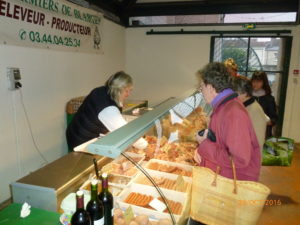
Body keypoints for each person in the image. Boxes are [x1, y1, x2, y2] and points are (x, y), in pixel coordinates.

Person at [194, 62, 261, 182]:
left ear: (210, 87)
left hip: (233, 185)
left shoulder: (234, 113)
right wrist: (202, 151)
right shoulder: (224, 106)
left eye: (201, 87)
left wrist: (204, 145)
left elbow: (239, 159)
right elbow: (221, 142)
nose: (201, 92)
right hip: (223, 178)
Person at [66, 71, 148, 150]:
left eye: (130, 90)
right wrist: (145, 146)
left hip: (79, 132)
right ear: (117, 89)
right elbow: (124, 132)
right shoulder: (107, 108)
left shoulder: (104, 90)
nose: (128, 94)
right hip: (81, 140)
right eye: (126, 91)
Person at [232, 76, 269, 151]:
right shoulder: (243, 106)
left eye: (234, 93)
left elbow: (256, 142)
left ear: (245, 93)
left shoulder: (255, 110)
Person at [251, 71, 278, 138]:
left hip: (264, 133)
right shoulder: (247, 96)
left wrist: (268, 122)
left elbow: (274, 119)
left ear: (264, 83)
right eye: (254, 81)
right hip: (249, 132)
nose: (255, 84)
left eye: (258, 81)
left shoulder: (269, 99)